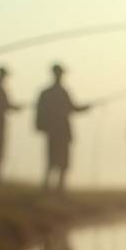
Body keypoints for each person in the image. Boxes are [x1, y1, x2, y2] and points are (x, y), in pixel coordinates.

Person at [35, 64, 91, 192]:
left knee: (54, 158)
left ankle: (53, 186)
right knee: (59, 160)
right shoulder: (59, 92)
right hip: (60, 131)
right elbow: (73, 108)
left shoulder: (47, 92)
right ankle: (56, 186)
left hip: (54, 131)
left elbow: (70, 108)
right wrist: (85, 108)